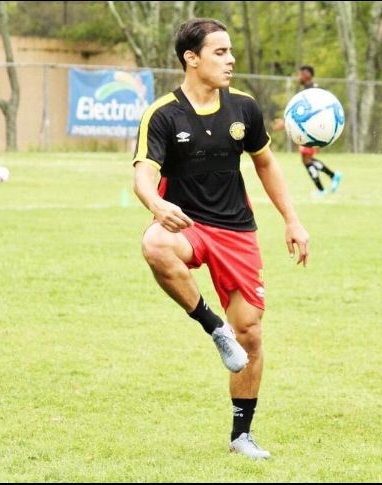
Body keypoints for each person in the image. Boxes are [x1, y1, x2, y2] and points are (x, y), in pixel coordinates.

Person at [132, 18, 310, 460]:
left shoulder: (244, 109)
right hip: (187, 226)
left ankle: (241, 436)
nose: (230, 60)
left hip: (236, 230)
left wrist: (292, 219)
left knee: (249, 333)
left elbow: (266, 164)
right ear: (191, 59)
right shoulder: (163, 114)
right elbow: (142, 176)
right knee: (153, 244)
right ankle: (214, 328)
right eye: (219, 52)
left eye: (230, 52)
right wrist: (157, 205)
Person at [295, 65, 343, 196]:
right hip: (311, 130)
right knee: (307, 160)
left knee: (306, 160)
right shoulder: (309, 89)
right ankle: (332, 177)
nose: (298, 77)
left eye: (300, 74)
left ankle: (322, 188)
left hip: (311, 131)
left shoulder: (311, 90)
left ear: (307, 74)